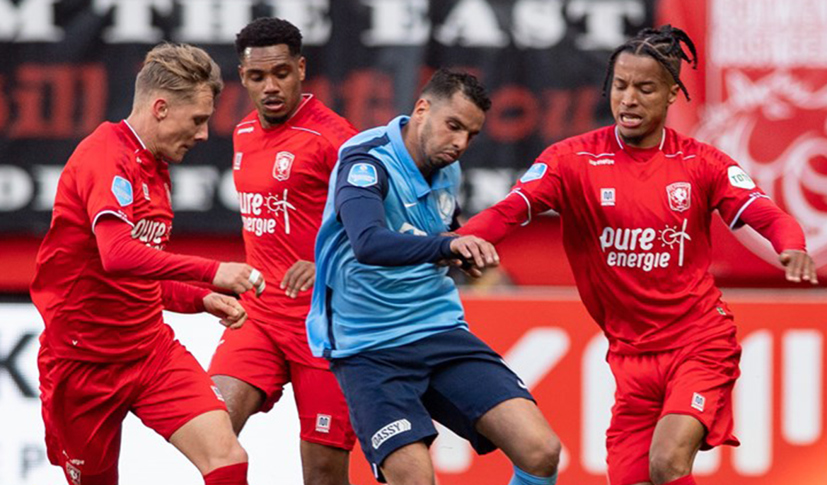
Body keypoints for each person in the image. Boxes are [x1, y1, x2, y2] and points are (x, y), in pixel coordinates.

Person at [458, 25, 819, 485]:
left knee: (667, 463)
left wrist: (792, 247)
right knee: (631, 478)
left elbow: (766, 214)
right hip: (630, 359)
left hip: (698, 343)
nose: (628, 99)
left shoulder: (701, 163)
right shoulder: (572, 160)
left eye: (645, 88)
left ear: (672, 94)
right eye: (620, 86)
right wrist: (458, 241)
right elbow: (510, 210)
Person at [306, 69, 561, 485]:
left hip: (438, 330)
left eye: (471, 135)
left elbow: (442, 231)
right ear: (422, 110)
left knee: (541, 451)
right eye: (453, 126)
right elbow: (368, 243)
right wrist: (447, 247)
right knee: (416, 480)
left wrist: (464, 255)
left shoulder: (447, 169)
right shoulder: (367, 161)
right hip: (367, 347)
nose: (460, 143)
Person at [30, 43, 266, 485]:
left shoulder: (153, 165)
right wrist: (212, 271)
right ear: (160, 108)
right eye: (197, 120)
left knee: (227, 457)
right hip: (84, 363)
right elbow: (117, 255)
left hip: (150, 351)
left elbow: (143, 272)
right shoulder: (105, 157)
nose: (203, 134)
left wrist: (202, 299)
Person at [207, 17, 358, 485]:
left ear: (301, 69)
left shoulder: (336, 139)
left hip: (326, 326)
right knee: (209, 430)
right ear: (242, 76)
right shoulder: (243, 132)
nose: (270, 87)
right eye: (257, 76)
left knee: (323, 474)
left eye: (281, 73)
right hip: (259, 317)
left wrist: (326, 260)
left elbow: (380, 225)